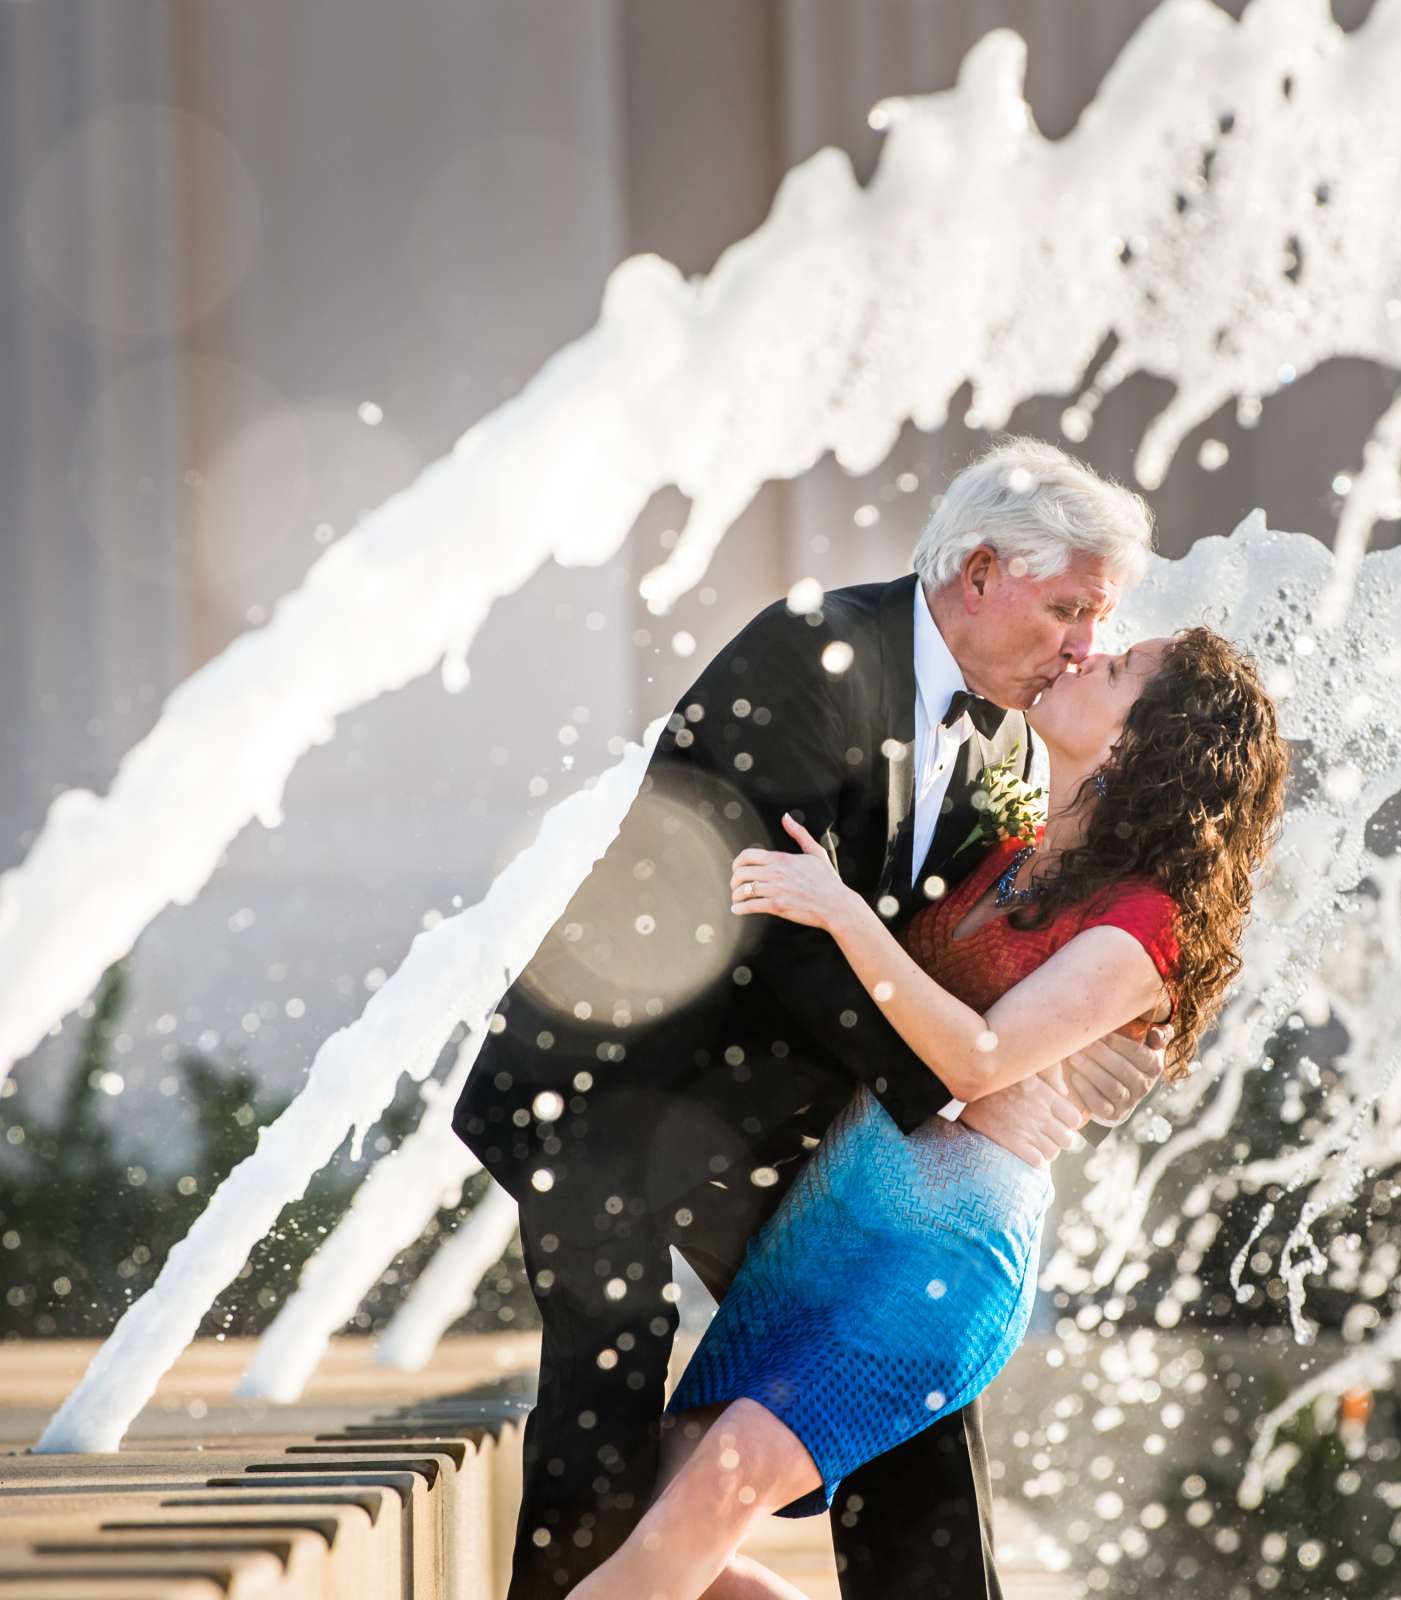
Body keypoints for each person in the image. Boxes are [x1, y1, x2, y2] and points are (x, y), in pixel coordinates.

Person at [452, 437, 1177, 1600]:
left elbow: (951, 959)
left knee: (898, 1382)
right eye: (1070, 608)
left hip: (763, 1119)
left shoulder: (1007, 736)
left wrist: (1073, 1047)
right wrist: (961, 1084)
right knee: (612, 1355)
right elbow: (773, 919)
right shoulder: (812, 651)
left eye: (1102, 618)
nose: (1085, 643)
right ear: (980, 571)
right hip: (604, 1082)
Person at [567, 624, 1289, 1600]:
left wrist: (837, 906)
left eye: (1116, 669)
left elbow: (974, 1055)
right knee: (677, 1489)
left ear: (1136, 748)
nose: (1086, 654)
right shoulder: (1020, 843)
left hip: (943, 1255)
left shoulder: (1146, 919)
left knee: (715, 1490)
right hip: (841, 1210)